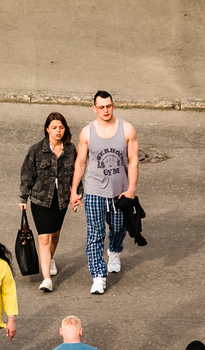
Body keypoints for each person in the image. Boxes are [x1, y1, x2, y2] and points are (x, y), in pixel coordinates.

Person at [69, 91, 139, 295]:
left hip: (119, 192)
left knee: (118, 229)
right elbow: (80, 162)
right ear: (94, 108)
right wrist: (75, 191)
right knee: (94, 234)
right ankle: (98, 276)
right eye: (101, 107)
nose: (105, 110)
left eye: (108, 106)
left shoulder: (127, 129)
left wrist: (131, 189)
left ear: (113, 106)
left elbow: (133, 160)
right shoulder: (87, 132)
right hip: (94, 191)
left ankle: (115, 251)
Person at [20, 112, 81, 292]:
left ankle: (50, 258)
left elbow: (76, 174)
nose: (58, 131)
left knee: (54, 235)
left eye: (61, 127)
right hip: (40, 200)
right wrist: (23, 198)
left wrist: (77, 194)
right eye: (54, 127)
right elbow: (26, 174)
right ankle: (46, 278)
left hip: (60, 201)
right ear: (47, 129)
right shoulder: (36, 150)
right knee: (44, 238)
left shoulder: (70, 150)